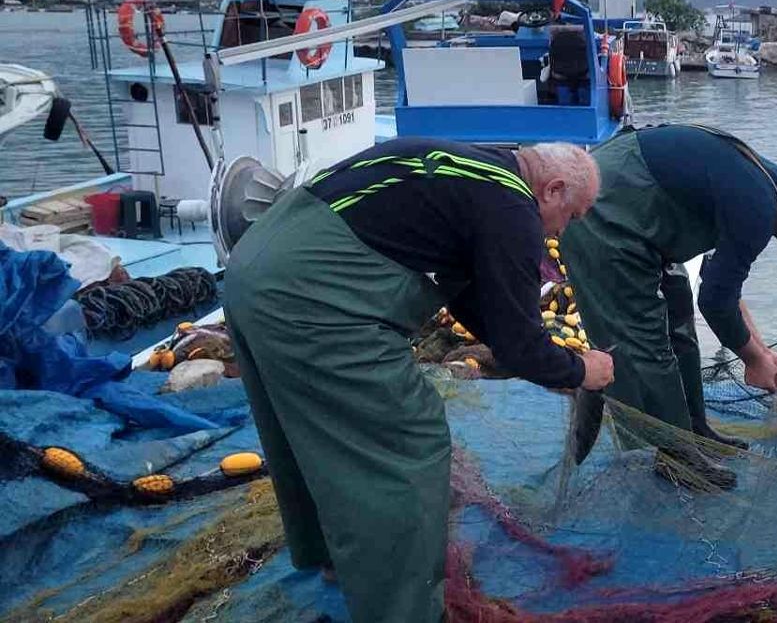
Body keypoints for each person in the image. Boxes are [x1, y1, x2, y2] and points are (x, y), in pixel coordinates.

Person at [223, 137, 614, 623]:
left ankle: (333, 558)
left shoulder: (479, 166)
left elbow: (471, 300)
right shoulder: (513, 207)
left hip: (251, 267)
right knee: (408, 440)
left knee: (306, 429)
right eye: (572, 216)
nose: (566, 228)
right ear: (553, 189)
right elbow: (518, 341)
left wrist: (544, 366)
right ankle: (402, 609)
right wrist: (580, 369)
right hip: (311, 298)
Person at [561, 124, 777, 490]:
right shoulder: (757, 204)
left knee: (679, 314)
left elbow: (726, 286)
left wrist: (761, 351)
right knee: (645, 341)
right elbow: (715, 302)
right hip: (602, 214)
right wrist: (752, 360)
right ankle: (675, 455)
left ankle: (695, 430)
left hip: (642, 218)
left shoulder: (768, 186)